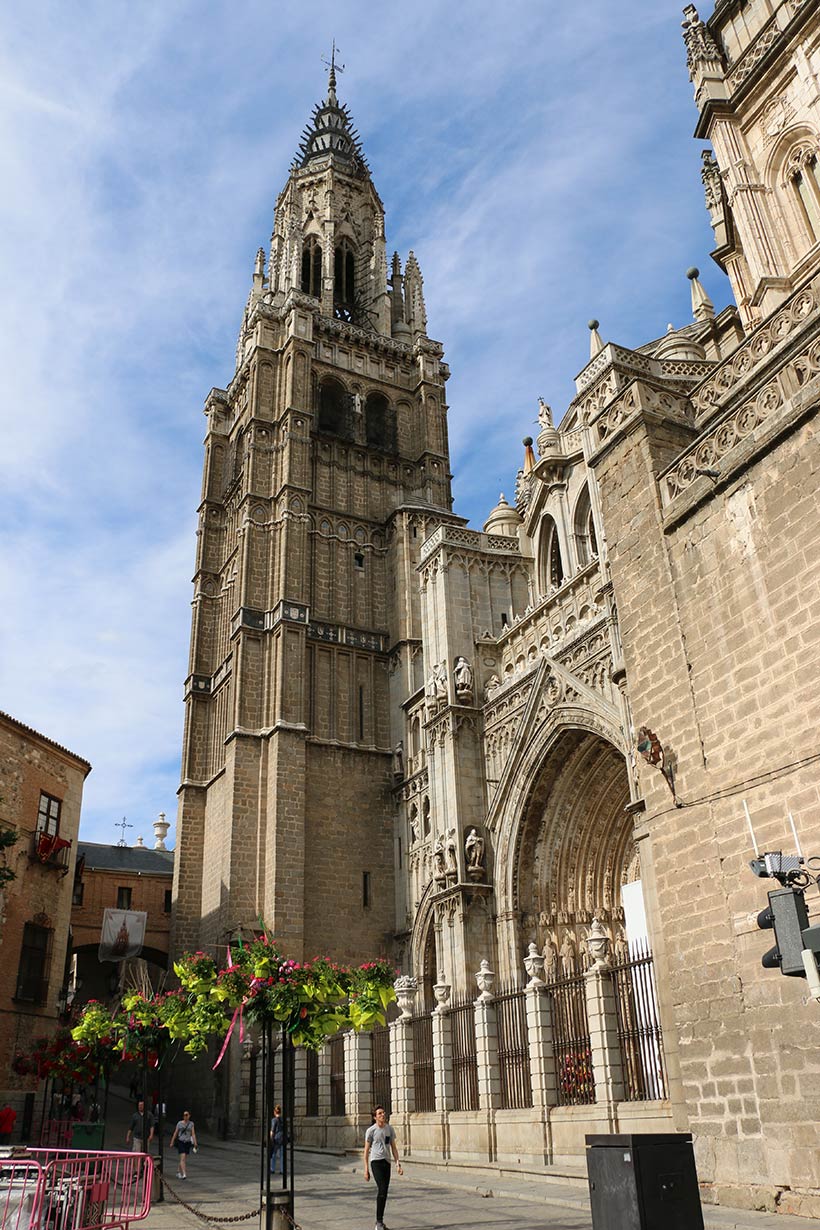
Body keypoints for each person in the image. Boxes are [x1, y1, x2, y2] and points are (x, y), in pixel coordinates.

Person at [363, 1105, 402, 1230]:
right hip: (376, 1162)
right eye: (379, 1113)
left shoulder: (389, 1129)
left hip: (386, 1162)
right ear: (375, 1117)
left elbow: (394, 1148)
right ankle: (378, 1223)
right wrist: (366, 1169)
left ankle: (380, 1221)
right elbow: (366, 1151)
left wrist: (397, 1164)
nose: (382, 1115)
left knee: (384, 1192)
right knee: (382, 1189)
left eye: (383, 1113)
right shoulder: (371, 1131)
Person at [170, 1110, 197, 1179]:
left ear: (189, 1116)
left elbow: (193, 1134)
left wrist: (195, 1143)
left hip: (187, 1142)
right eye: (184, 1115)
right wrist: (172, 1141)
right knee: (183, 1157)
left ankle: (178, 1171)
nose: (185, 1116)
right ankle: (184, 1174)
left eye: (187, 1115)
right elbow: (175, 1132)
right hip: (181, 1142)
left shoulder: (191, 1124)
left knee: (183, 1158)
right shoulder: (179, 1123)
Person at [269, 1104, 284, 1175]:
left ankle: (272, 1168)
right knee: (282, 1155)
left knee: (273, 1154)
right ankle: (282, 1169)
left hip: (276, 1138)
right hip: (282, 1138)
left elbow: (272, 1130)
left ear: (275, 1112)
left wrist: (271, 1138)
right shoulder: (283, 1119)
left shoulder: (274, 1120)